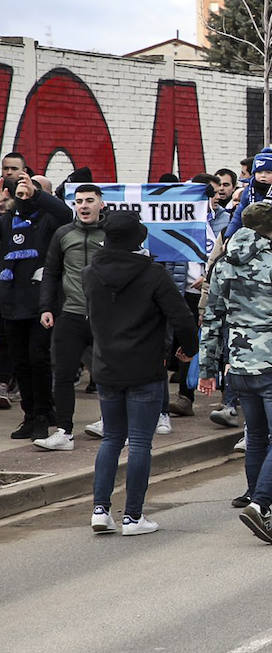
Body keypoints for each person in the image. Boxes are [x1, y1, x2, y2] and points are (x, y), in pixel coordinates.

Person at [84, 211, 198, 536]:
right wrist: (187, 349)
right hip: (145, 367)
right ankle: (133, 516)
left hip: (106, 366)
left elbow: (87, 317)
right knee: (139, 443)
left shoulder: (90, 272)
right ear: (138, 239)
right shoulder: (153, 274)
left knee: (111, 438)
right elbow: (183, 317)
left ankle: (100, 510)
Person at [198, 202, 272, 544]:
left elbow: (211, 319)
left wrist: (208, 368)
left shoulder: (222, 267)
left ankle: (261, 505)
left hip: (239, 366)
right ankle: (260, 504)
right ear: (268, 231)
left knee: (256, 437)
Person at [32, 184, 106, 451]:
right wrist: (46, 308)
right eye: (78, 201)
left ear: (101, 204)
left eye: (89, 200)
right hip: (70, 315)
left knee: (107, 373)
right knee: (62, 373)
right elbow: (50, 273)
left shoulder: (111, 234)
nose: (83, 206)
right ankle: (64, 432)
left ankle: (108, 421)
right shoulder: (63, 234)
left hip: (104, 317)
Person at [1, 165, 70, 440]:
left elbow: (66, 214)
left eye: (28, 190)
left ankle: (43, 413)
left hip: (41, 302)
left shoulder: (48, 220)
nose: (24, 195)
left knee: (38, 358)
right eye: (19, 191)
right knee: (20, 361)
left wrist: (35, 193)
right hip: (11, 302)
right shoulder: (6, 222)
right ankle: (30, 414)